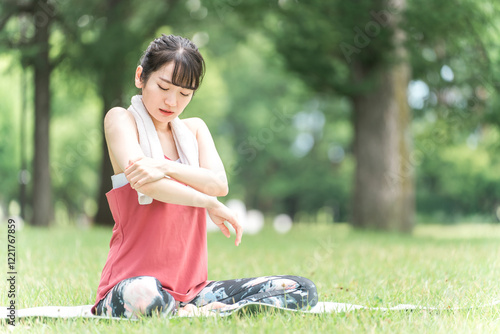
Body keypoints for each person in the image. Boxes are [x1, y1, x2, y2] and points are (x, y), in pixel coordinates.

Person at [91, 34, 318, 319]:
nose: (172, 101)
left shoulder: (195, 130)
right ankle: (203, 313)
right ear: (141, 77)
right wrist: (207, 203)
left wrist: (166, 166)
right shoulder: (120, 120)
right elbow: (145, 181)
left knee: (299, 288)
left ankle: (194, 310)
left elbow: (218, 184)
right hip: (131, 285)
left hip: (194, 290)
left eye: (185, 94)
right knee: (147, 296)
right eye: (164, 87)